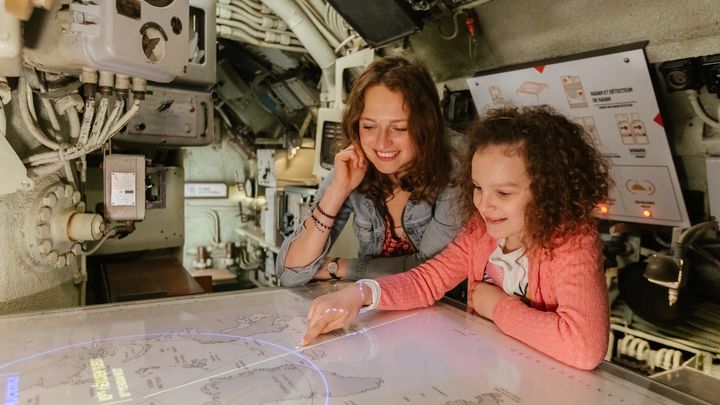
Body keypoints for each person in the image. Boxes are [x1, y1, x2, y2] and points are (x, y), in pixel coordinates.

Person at [301, 105, 613, 370]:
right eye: (478, 187)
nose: (484, 204)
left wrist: (497, 307)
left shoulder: (573, 241)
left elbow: (584, 347)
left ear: (549, 191)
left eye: (504, 192)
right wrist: (359, 294)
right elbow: (427, 281)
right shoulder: (480, 231)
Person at [276, 57, 466, 287]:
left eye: (399, 128)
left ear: (426, 125)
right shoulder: (354, 162)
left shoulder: (457, 160)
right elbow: (290, 273)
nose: (382, 142)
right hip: (375, 306)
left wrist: (341, 267)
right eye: (369, 126)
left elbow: (431, 269)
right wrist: (338, 190)